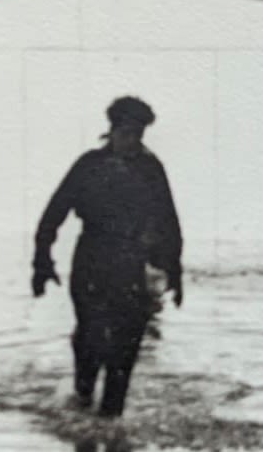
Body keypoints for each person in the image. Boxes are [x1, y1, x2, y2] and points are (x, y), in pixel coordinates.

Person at [32, 96, 183, 417]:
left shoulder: (150, 168)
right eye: (127, 133)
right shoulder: (88, 165)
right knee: (90, 337)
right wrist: (41, 262)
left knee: (127, 344)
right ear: (112, 131)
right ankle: (82, 398)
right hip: (91, 258)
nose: (133, 142)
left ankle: (112, 416)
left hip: (130, 262)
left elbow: (169, 221)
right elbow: (53, 214)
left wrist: (175, 271)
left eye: (139, 134)